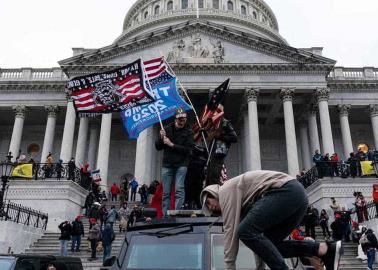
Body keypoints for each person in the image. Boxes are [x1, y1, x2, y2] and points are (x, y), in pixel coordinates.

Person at [201, 170, 342, 270]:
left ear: (213, 192)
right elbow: (260, 244)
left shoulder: (225, 190)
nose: (211, 207)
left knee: (243, 230)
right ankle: (324, 249)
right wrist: (260, 267)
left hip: (286, 191)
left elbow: (230, 233)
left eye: (208, 201)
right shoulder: (244, 204)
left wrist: (230, 267)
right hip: (297, 197)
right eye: (208, 207)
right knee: (272, 245)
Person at [155, 108, 193, 216]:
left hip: (181, 164)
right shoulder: (166, 129)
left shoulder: (189, 132)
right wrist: (160, 138)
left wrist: (172, 145)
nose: (182, 121)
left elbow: (189, 150)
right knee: (166, 192)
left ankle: (177, 213)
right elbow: (158, 147)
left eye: (184, 119)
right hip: (167, 164)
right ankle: (165, 215)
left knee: (179, 189)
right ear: (175, 119)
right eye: (180, 119)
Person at [205, 105, 237, 186]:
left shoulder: (225, 123)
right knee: (208, 176)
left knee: (215, 176)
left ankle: (215, 194)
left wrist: (220, 136)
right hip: (211, 154)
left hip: (219, 153)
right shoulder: (212, 124)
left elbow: (234, 138)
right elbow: (209, 138)